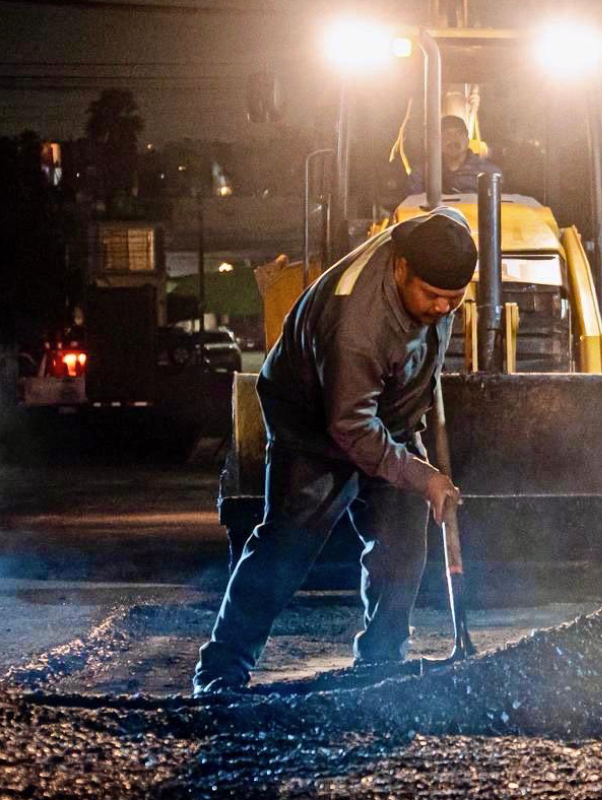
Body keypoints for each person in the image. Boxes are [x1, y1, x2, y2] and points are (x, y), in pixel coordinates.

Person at [192, 208, 477, 695]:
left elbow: (449, 219)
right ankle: (220, 672)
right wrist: (423, 475)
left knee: (402, 539)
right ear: (401, 268)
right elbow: (350, 427)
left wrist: (412, 447)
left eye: (455, 298)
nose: (442, 308)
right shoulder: (355, 326)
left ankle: (380, 661)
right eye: (432, 295)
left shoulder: (439, 245)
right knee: (287, 545)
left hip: (386, 415)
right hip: (313, 422)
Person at [404, 115, 503, 196]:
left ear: (467, 140)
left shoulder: (490, 173)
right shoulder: (421, 174)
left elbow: (499, 208)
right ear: (438, 141)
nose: (453, 139)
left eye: (459, 133)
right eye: (446, 134)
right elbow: (411, 209)